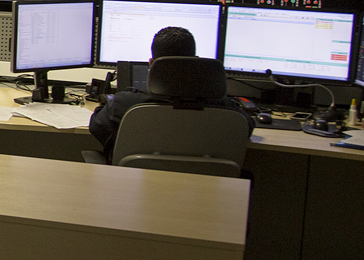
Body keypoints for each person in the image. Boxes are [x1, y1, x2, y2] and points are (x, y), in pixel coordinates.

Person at [88, 25, 253, 160]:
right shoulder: (226, 109)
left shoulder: (125, 105)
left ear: (151, 64)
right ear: (195, 60)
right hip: (204, 194)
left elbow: (97, 126)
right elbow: (247, 128)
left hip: (137, 190)